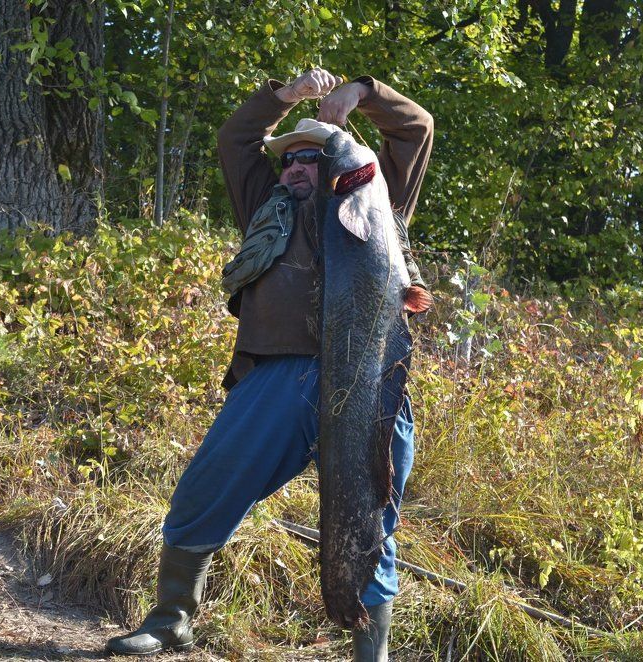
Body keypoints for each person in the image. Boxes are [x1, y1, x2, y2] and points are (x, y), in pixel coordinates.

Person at [106, 67, 433, 660]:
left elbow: (416, 129)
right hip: (281, 376)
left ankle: (370, 653)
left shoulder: (376, 202)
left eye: (312, 158)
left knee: (370, 520)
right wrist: (284, 97)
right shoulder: (265, 205)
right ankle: (172, 618)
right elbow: (236, 139)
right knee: (205, 490)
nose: (298, 168)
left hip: (370, 384)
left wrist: (361, 91)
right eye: (291, 160)